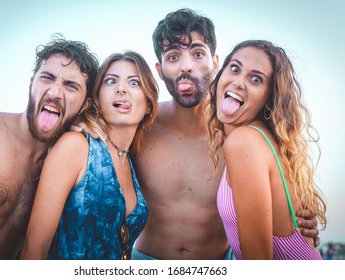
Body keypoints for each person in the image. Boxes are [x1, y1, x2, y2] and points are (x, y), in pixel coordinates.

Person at [131, 8, 320, 260]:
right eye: (173, 57)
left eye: (198, 54)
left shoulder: (240, 133)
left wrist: (302, 221)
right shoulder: (139, 126)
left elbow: (284, 196)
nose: (186, 66)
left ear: (216, 62)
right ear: (160, 69)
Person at [0, 33, 99, 259]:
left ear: (84, 106)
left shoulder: (65, 170)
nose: (54, 93)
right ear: (31, 83)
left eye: (71, 86)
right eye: (47, 78)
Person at [20, 51, 158, 260]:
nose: (121, 89)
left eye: (134, 83)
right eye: (111, 81)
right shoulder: (76, 146)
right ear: (95, 99)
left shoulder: (129, 160)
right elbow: (34, 249)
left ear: (148, 105)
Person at [206, 39, 327, 259]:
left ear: (268, 98)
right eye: (234, 68)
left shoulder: (244, 142)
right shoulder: (262, 140)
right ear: (220, 74)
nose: (239, 82)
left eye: (256, 79)